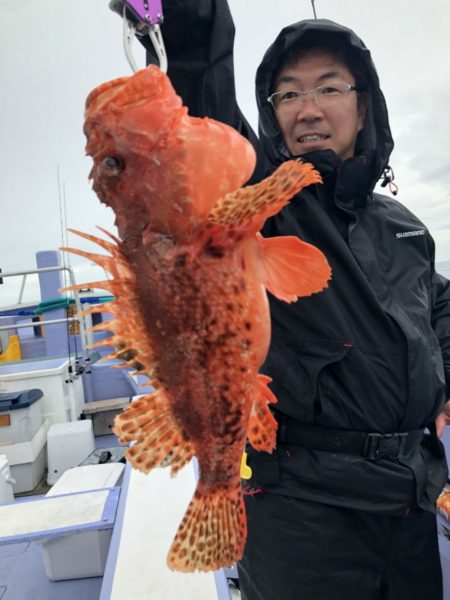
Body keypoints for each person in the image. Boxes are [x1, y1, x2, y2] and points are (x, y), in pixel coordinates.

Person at [143, 3, 450, 598]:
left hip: (409, 502)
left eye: (329, 88)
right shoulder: (260, 201)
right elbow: (201, 102)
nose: (308, 109)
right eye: (287, 95)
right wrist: (179, 13)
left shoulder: (405, 226)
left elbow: (436, 309)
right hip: (305, 517)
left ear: (366, 107)